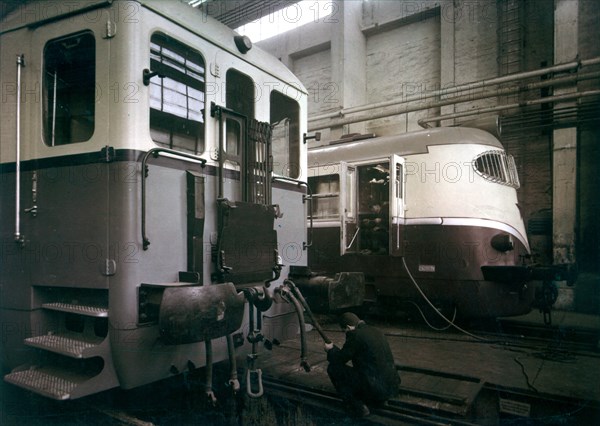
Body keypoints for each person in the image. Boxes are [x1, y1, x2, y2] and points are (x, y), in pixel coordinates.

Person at [324, 312, 400, 418]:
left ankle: (358, 406)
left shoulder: (355, 335)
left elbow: (339, 360)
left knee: (333, 369)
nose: (345, 334)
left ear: (348, 327)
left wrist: (330, 350)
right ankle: (381, 400)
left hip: (374, 388)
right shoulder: (377, 331)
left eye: (344, 331)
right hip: (391, 386)